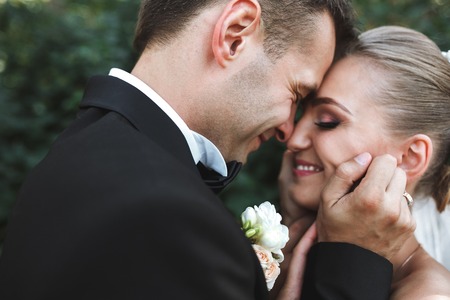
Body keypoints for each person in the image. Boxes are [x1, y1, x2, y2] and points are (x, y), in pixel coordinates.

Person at [0, 1, 414, 299]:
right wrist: (353, 263)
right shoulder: (168, 217)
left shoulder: (78, 152)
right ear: (235, 34)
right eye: (297, 92)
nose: (289, 130)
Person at [276, 26, 450, 299]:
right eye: (301, 113)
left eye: (328, 121)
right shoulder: (288, 252)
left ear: (410, 158)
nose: (294, 139)